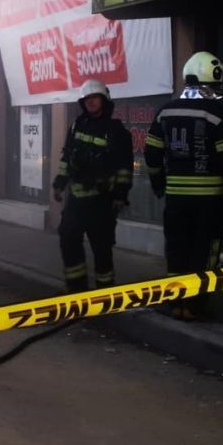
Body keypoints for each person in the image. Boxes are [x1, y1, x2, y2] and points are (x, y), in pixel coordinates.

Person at [145, 52, 223, 320]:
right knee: (204, 252)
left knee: (176, 249)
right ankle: (196, 305)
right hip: (210, 201)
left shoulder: (165, 112)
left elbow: (152, 153)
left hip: (177, 199)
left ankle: (175, 303)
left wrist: (158, 181)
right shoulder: (219, 115)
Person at [53, 80, 133, 291]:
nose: (91, 102)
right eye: (87, 99)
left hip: (102, 201)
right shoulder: (76, 125)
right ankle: (77, 291)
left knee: (102, 249)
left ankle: (104, 295)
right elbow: (66, 157)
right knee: (68, 241)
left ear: (104, 100)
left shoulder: (116, 131)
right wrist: (59, 182)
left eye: (94, 98)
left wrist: (120, 194)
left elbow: (125, 169)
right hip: (76, 200)